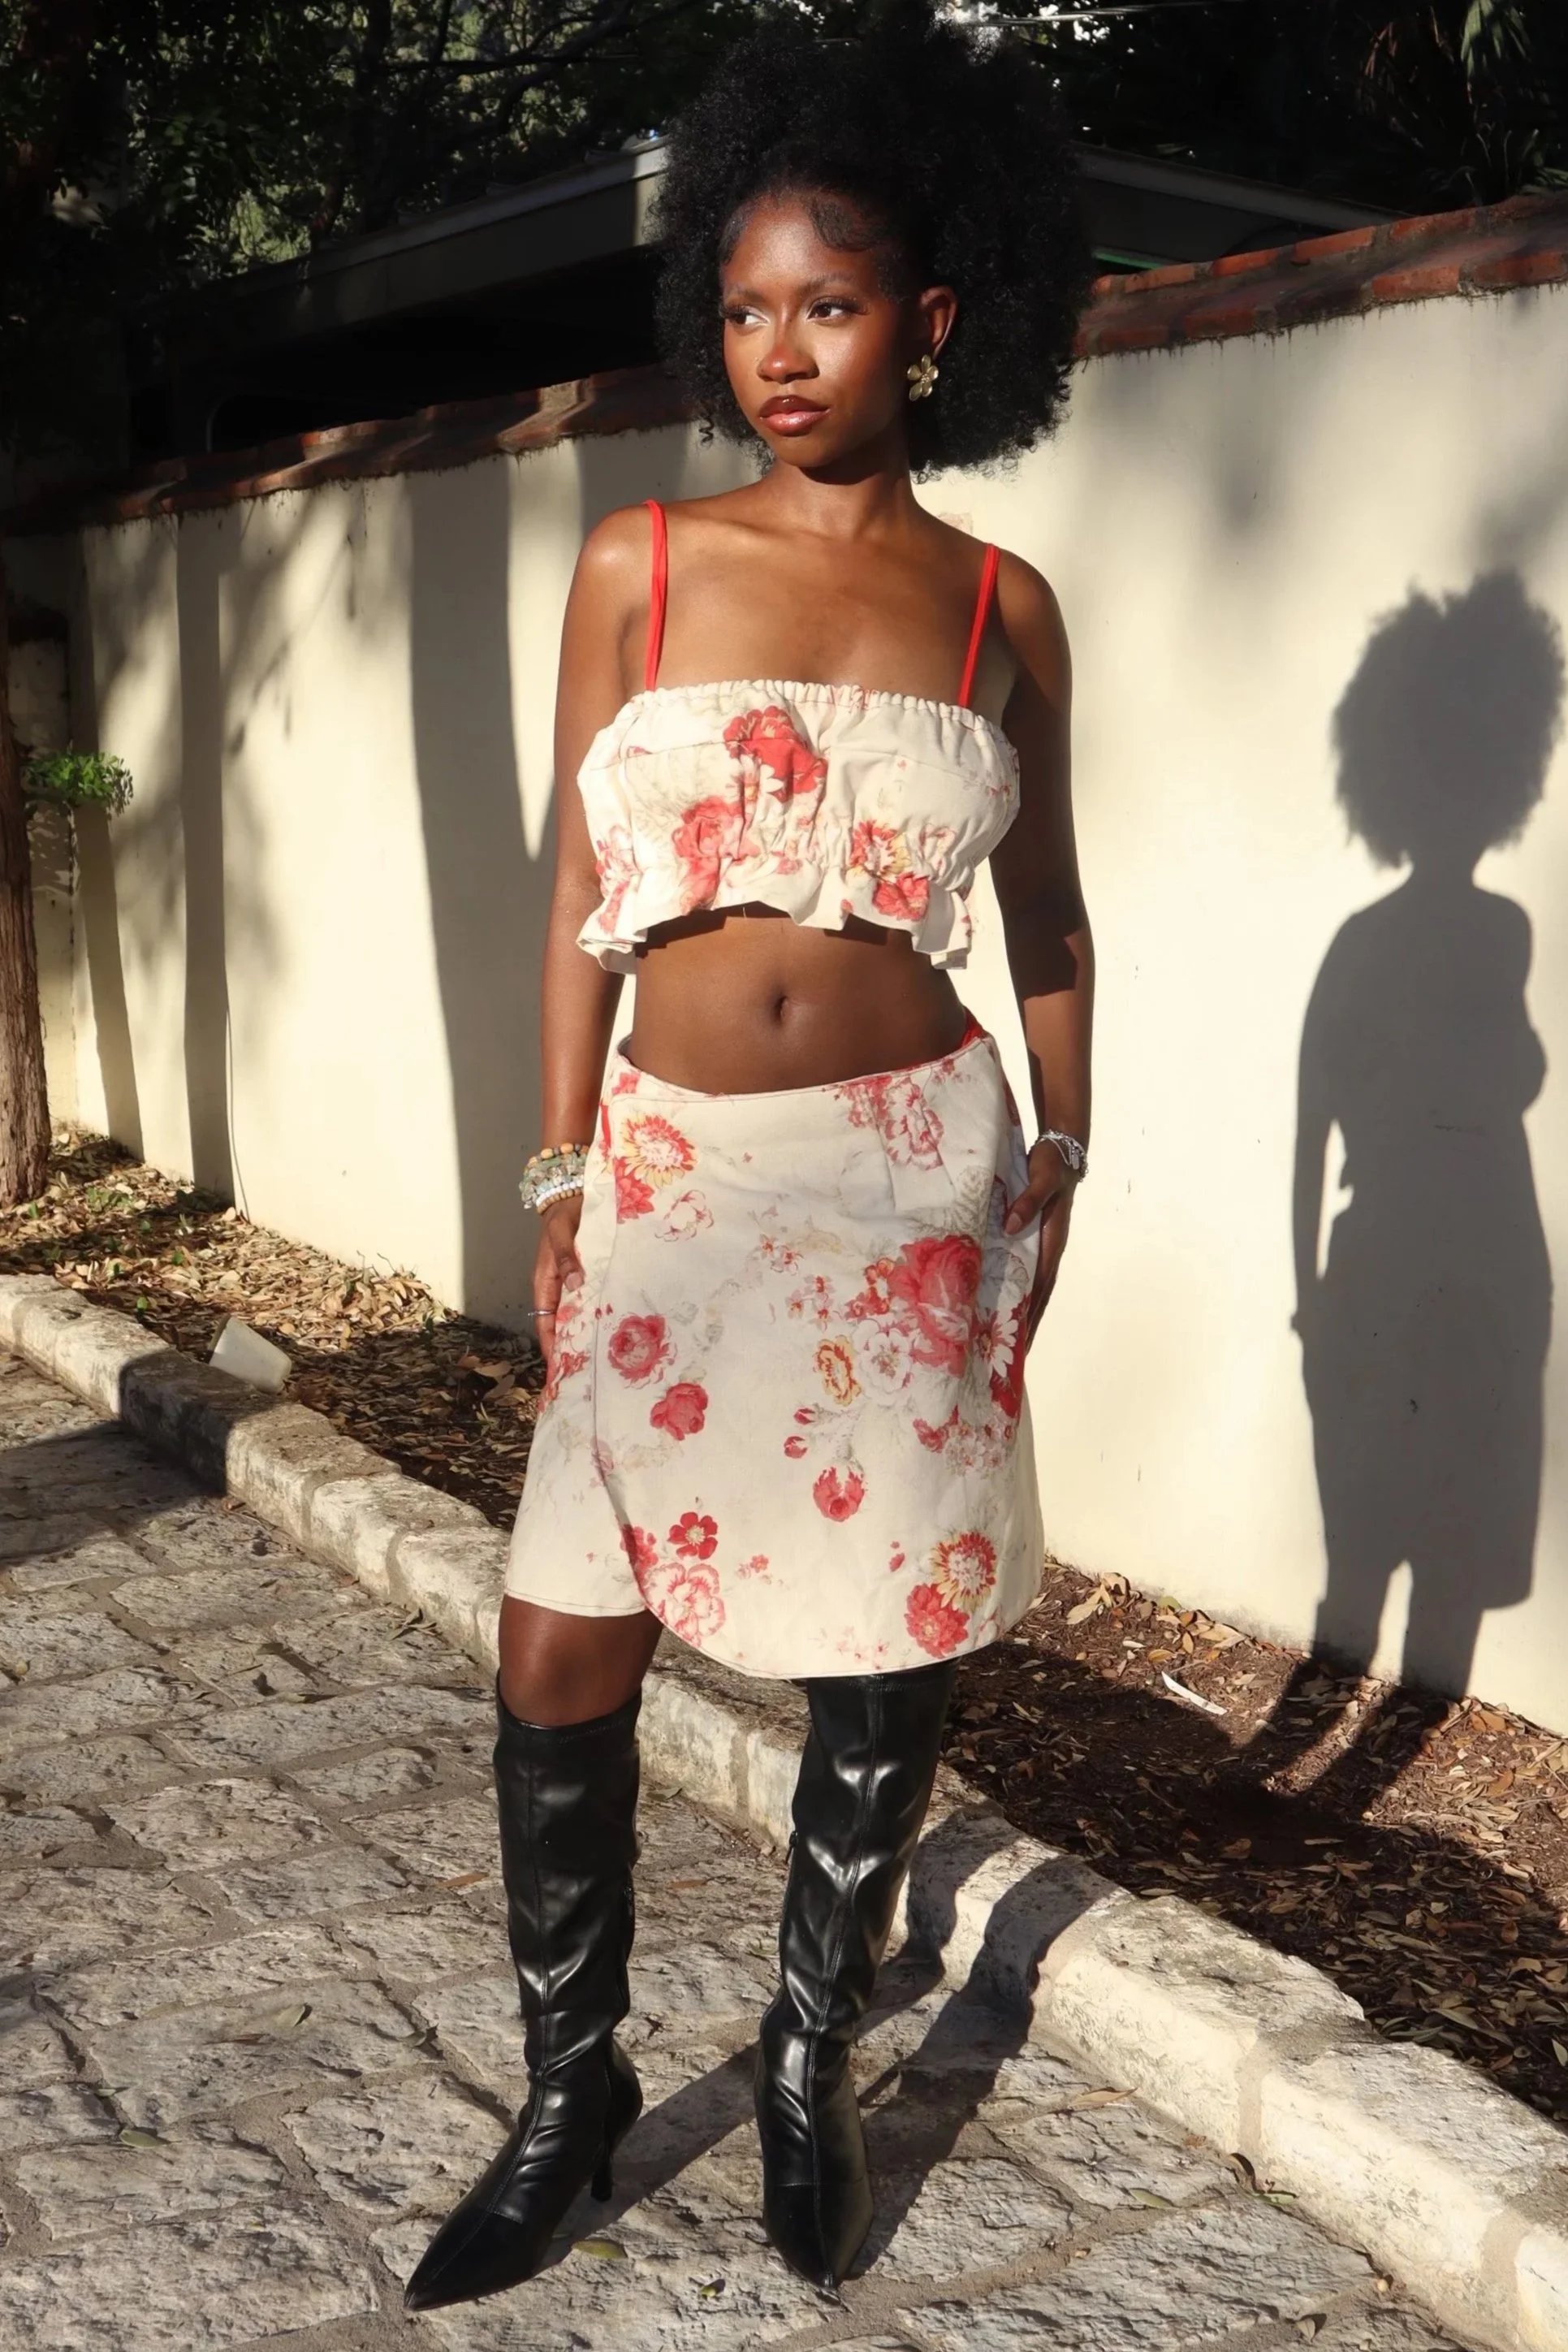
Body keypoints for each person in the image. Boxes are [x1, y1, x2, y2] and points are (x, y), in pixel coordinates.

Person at [405, 0, 1092, 2314]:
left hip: (916, 1177)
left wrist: (1061, 1155)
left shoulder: (1004, 610)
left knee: (886, 1643)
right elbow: (569, 899)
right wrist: (555, 1175)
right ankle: (572, 2089)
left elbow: (1058, 922)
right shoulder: (641, 559)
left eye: (827, 304)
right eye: (745, 307)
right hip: (674, 1174)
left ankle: (805, 2053)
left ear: (935, 318)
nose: (779, 351)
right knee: (553, 1641)